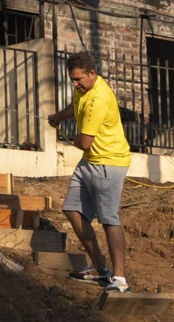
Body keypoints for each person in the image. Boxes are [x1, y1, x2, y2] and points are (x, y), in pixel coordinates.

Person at [47, 52, 132, 293]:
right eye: (72, 80)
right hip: (90, 162)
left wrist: (71, 137)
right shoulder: (83, 90)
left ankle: (120, 280)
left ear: (92, 74)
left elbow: (84, 142)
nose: (75, 84)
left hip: (109, 163)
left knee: (108, 219)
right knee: (72, 209)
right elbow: (75, 108)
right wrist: (57, 117)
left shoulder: (99, 100)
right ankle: (100, 269)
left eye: (79, 79)